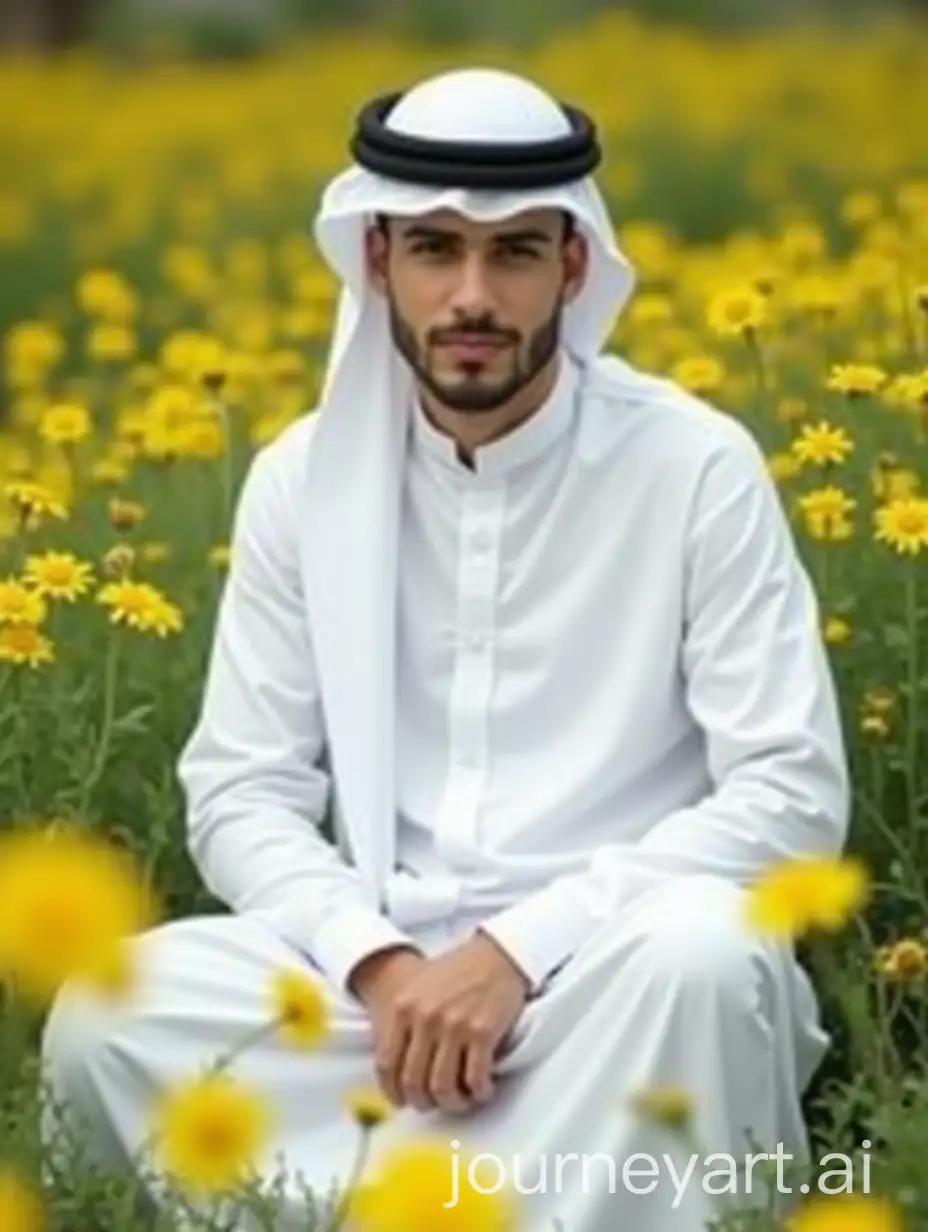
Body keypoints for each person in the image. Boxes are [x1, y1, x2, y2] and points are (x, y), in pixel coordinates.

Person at [39, 66, 850, 1231]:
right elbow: (240, 790)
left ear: (575, 267)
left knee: (706, 958)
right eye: (433, 249)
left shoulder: (693, 466)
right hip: (372, 999)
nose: (472, 294)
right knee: (109, 1011)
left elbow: (790, 794)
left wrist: (517, 950)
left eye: (515, 252)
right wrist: (376, 960)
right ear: (376, 262)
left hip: (606, 984)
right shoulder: (299, 478)